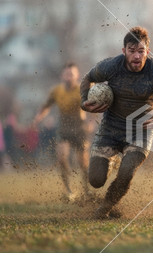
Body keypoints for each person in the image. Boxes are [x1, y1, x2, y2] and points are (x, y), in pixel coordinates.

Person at [80, 26, 153, 219]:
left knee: (127, 171)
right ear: (124, 51)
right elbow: (87, 78)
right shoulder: (110, 66)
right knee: (95, 180)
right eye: (132, 51)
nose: (136, 56)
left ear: (147, 52)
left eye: (141, 51)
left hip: (140, 130)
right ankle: (112, 162)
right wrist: (84, 102)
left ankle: (106, 207)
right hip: (110, 128)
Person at [33, 63, 90, 201]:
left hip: (79, 129)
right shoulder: (56, 91)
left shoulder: (83, 89)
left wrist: (92, 121)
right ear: (62, 76)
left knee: (82, 162)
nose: (68, 77)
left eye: (71, 74)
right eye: (66, 74)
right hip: (63, 129)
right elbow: (46, 106)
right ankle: (69, 191)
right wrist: (38, 118)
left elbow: (94, 105)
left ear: (77, 75)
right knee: (61, 157)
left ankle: (86, 190)